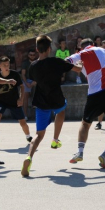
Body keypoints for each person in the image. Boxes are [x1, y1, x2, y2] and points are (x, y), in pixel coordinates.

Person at [21, 35, 82, 177]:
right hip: (56, 98)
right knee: (61, 111)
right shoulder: (57, 62)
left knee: (38, 135)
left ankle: (29, 157)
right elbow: (78, 69)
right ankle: (55, 140)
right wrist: (81, 61)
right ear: (50, 49)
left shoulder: (33, 66)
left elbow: (34, 78)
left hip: (41, 100)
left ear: (37, 49)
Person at [67, 38, 105, 169]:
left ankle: (80, 152)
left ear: (82, 47)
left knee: (85, 124)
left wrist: (77, 68)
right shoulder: (102, 50)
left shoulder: (81, 55)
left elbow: (66, 62)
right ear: (92, 44)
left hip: (94, 94)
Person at [0, 56, 32, 150]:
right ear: (0, 66)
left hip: (14, 101)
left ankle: (28, 136)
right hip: (1, 101)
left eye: (8, 64)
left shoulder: (15, 74)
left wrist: (21, 99)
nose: (6, 66)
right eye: (4, 65)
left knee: (22, 122)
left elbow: (22, 87)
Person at [20, 49, 37, 120]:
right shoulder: (25, 63)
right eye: (30, 55)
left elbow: (40, 74)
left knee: (38, 94)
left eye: (33, 55)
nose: (32, 56)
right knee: (25, 95)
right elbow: (23, 74)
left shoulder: (37, 62)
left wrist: (35, 81)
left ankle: (37, 115)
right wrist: (27, 83)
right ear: (28, 55)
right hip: (26, 80)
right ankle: (25, 115)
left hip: (35, 80)